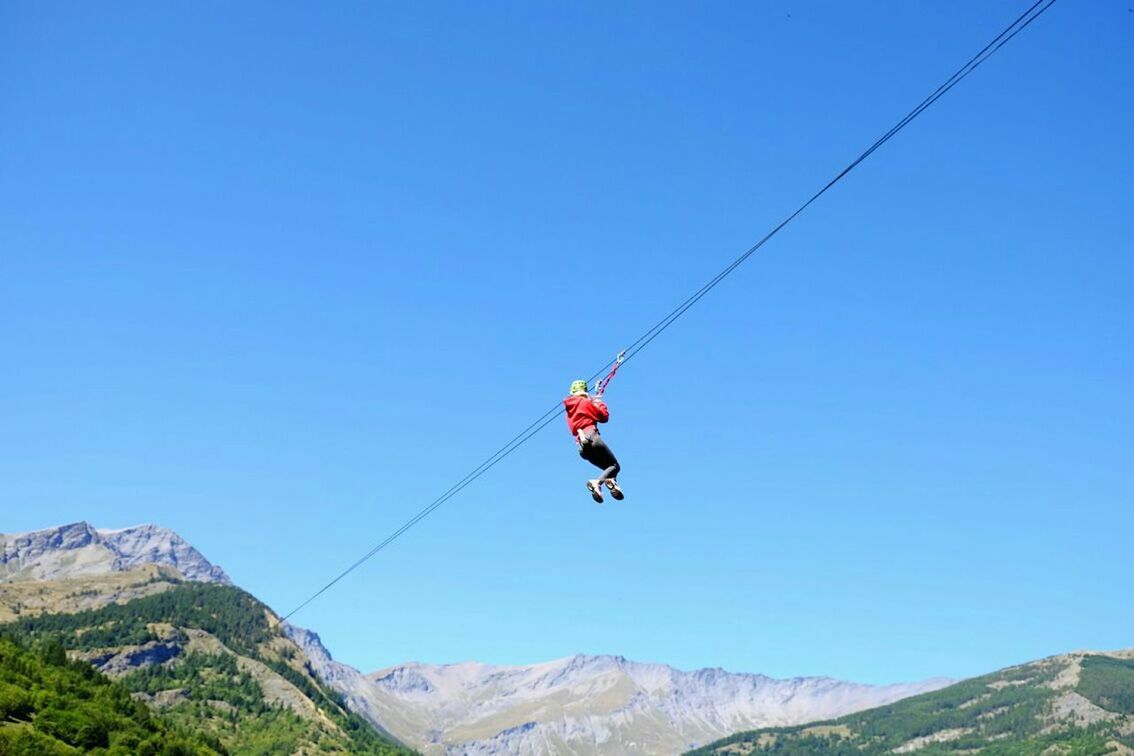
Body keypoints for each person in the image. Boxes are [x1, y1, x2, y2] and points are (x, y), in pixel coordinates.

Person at [564, 379, 624, 503]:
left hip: (581, 447)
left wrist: (593, 399)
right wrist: (598, 402)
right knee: (614, 466)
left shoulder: (569, 410)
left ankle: (611, 482)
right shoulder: (584, 403)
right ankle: (598, 482)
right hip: (591, 437)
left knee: (609, 469)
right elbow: (603, 416)